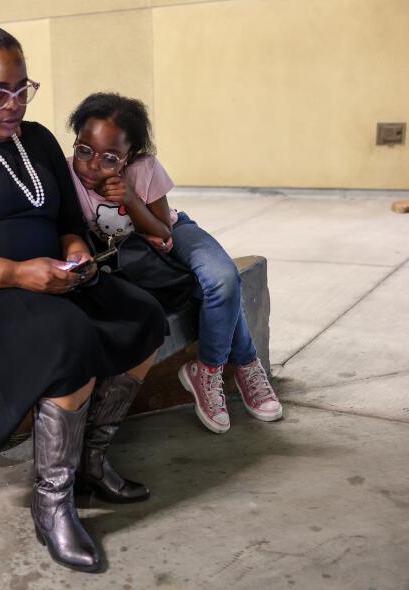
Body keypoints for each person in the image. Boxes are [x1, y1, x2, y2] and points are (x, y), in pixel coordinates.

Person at [0, 25, 167, 573]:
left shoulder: (36, 139)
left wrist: (74, 254)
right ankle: (53, 504)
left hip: (48, 280)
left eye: (22, 89)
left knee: (143, 315)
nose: (13, 104)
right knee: (66, 336)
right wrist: (17, 274)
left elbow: (68, 221)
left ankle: (91, 457)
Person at [66, 92, 283, 434]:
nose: (93, 165)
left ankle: (208, 370)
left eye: (110, 158)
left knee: (223, 278)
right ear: (76, 141)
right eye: (84, 151)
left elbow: (164, 229)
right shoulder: (67, 176)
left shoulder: (144, 169)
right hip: (132, 251)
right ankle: (246, 361)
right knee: (199, 287)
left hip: (171, 228)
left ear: (129, 157)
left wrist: (130, 198)